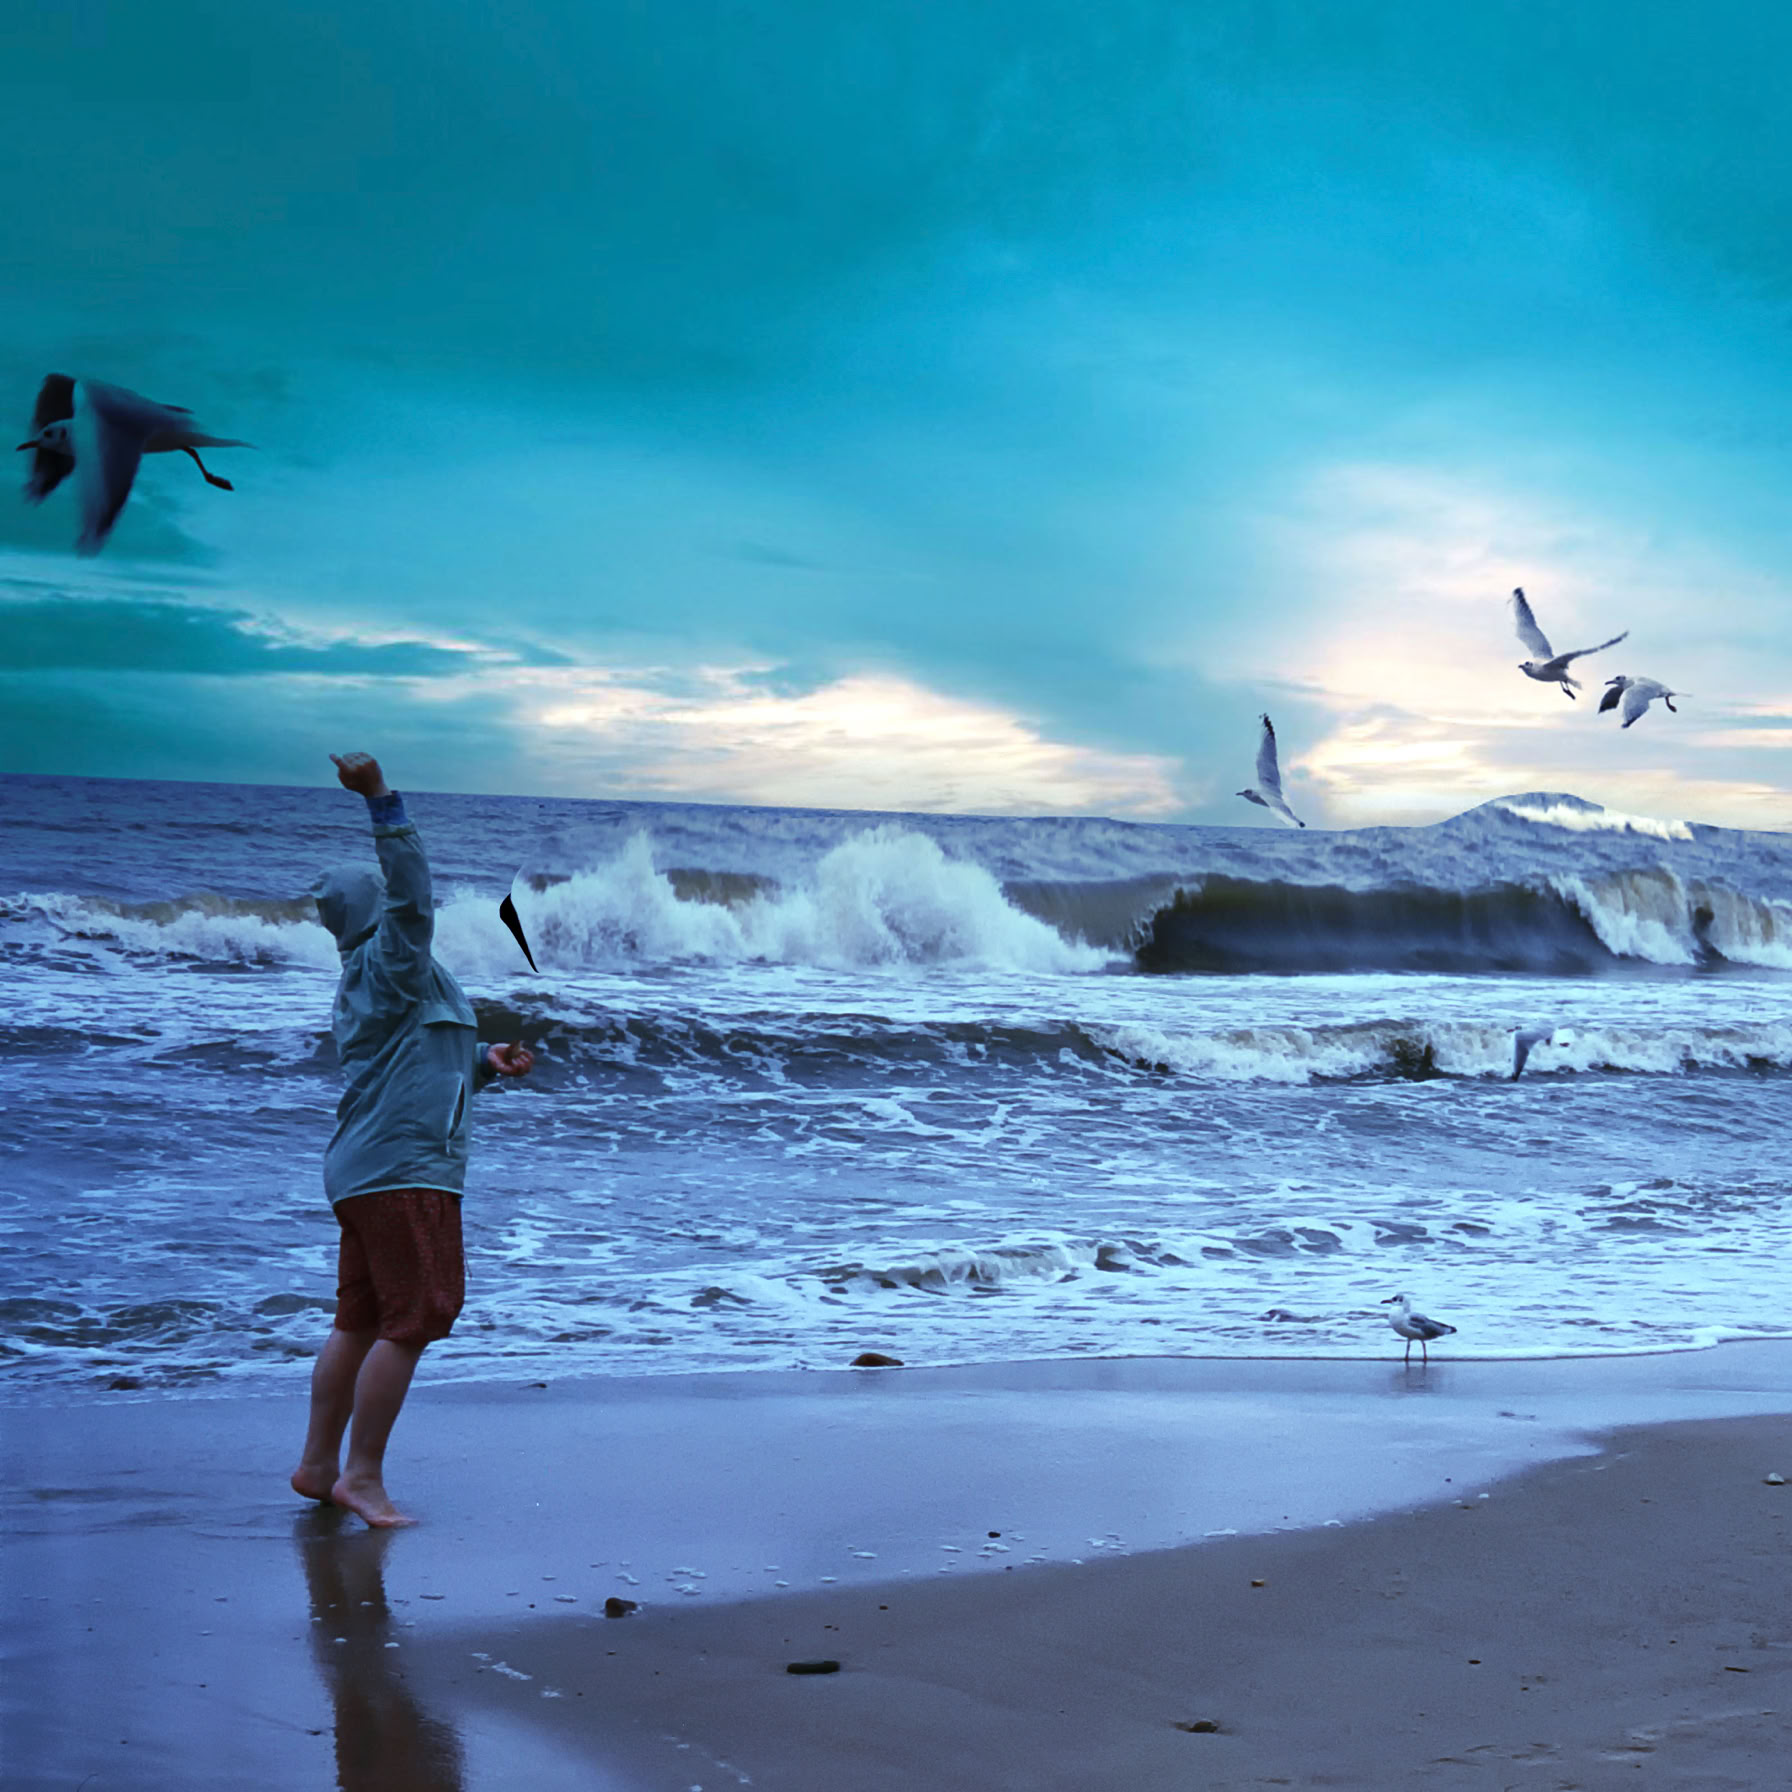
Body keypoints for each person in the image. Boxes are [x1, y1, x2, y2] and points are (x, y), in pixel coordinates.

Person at [291, 751, 534, 1526]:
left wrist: (484, 1065)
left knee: (358, 1321)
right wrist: (382, 800)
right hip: (403, 1174)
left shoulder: (376, 979)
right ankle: (361, 1476)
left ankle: (318, 1464)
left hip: (366, 1170)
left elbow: (419, 1067)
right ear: (374, 912)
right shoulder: (392, 958)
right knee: (417, 1318)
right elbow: (414, 894)